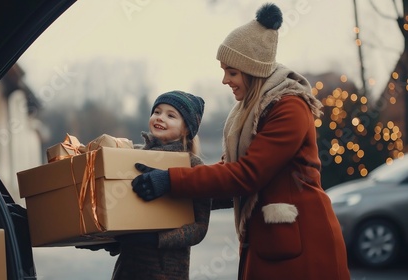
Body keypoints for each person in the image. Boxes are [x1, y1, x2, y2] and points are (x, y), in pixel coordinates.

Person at [131, 3, 350, 280]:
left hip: (303, 245)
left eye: (232, 72)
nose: (225, 80)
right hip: (271, 240)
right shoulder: (247, 111)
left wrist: (171, 181)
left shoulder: (289, 107)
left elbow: (247, 174)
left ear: (252, 70)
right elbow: (226, 177)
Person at [109, 90, 211, 279]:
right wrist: (110, 239)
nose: (160, 118)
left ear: (187, 128)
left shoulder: (192, 165)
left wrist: (155, 239)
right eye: (157, 112)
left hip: (166, 272)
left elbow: (199, 228)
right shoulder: (131, 155)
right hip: (126, 270)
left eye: (170, 115)